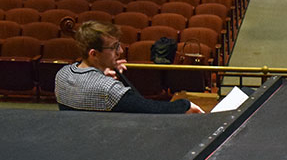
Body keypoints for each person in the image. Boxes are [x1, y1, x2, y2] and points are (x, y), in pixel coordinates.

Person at [55, 21, 204, 114]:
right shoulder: (107, 89)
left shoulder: (62, 74)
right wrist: (184, 105)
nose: (120, 51)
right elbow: (149, 109)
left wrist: (101, 74)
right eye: (114, 47)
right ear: (94, 54)